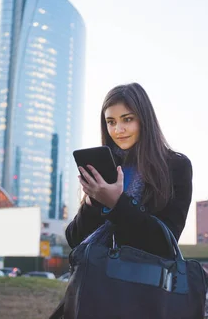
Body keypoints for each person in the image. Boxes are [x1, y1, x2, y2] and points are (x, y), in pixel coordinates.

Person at [65, 82, 193, 259]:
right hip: (96, 281)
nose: (118, 130)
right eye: (111, 122)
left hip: (143, 282)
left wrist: (116, 204)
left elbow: (165, 244)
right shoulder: (107, 165)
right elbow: (74, 239)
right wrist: (92, 202)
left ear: (144, 119)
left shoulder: (175, 166)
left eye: (127, 119)